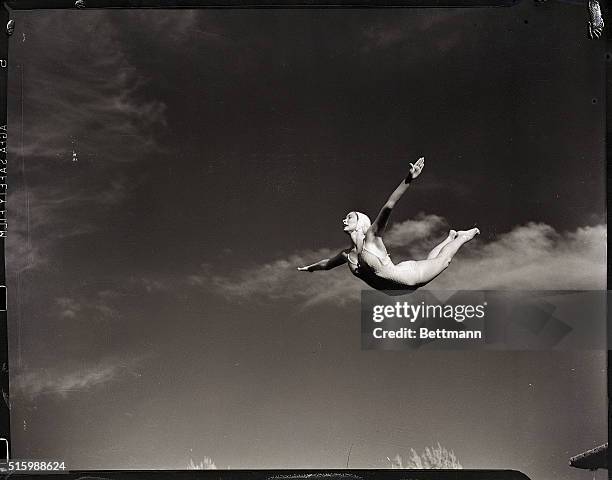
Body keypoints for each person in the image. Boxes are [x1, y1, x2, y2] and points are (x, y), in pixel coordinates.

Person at [297, 158, 479, 292]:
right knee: (431, 261)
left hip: (409, 278)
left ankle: (460, 237)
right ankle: (450, 237)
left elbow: (389, 205)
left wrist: (409, 178)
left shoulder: (372, 236)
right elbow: (327, 264)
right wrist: (309, 268)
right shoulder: (347, 255)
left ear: (360, 222)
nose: (345, 221)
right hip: (395, 291)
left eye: (349, 217)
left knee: (442, 261)